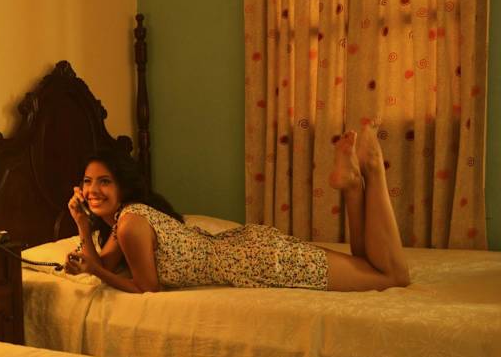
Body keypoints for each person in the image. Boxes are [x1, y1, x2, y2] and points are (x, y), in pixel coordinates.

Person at [65, 125, 411, 293]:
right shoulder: (127, 220)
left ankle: (373, 169)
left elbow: (146, 287)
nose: (93, 190)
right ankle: (352, 186)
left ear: (122, 186)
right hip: (248, 251)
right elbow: (102, 263)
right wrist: (82, 223)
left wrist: (93, 269)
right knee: (368, 265)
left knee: (393, 277)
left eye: (104, 181)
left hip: (258, 262)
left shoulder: (130, 224)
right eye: (88, 181)